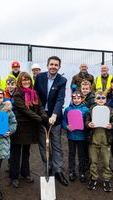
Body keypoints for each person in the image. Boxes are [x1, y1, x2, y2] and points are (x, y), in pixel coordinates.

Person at [34, 56, 69, 186]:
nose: (53, 67)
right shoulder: (39, 77)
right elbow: (36, 97)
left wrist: (54, 115)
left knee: (56, 144)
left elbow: (60, 99)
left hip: (55, 117)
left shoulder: (62, 80)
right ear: (47, 65)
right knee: (43, 144)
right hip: (42, 116)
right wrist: (42, 114)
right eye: (51, 64)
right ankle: (48, 166)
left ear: (59, 67)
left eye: (56, 65)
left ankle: (58, 170)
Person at [10, 72, 48, 188]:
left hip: (31, 127)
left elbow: (40, 106)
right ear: (19, 82)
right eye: (23, 80)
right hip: (20, 127)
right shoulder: (17, 94)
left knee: (26, 152)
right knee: (15, 153)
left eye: (28, 80)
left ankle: (25, 173)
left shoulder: (34, 93)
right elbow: (24, 110)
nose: (26, 82)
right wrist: (39, 119)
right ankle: (14, 176)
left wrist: (44, 116)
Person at [85, 91, 113, 192]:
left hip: (105, 141)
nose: (101, 100)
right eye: (98, 98)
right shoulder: (91, 109)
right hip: (93, 141)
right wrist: (89, 124)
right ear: (95, 99)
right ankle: (94, 177)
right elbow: (86, 121)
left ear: (106, 99)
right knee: (93, 161)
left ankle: (107, 179)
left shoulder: (110, 110)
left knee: (106, 162)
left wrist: (111, 125)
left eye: (103, 98)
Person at [62, 91, 89, 183]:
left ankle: (82, 172)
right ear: (72, 99)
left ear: (82, 99)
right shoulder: (68, 109)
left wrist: (86, 125)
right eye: (74, 98)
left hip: (82, 136)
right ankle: (71, 171)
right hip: (71, 136)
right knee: (71, 154)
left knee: (82, 155)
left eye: (78, 98)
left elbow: (88, 121)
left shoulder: (86, 110)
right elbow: (64, 121)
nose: (76, 100)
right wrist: (66, 126)